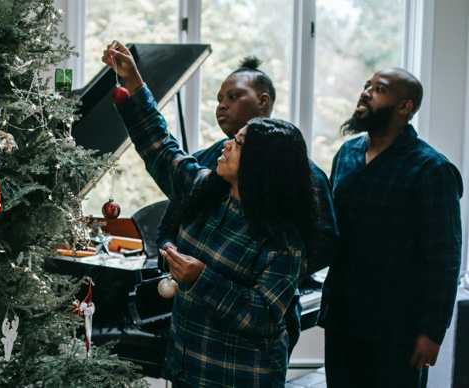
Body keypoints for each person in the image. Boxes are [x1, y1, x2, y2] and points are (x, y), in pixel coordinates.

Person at [103, 41, 319, 387]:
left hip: (240, 377)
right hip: (188, 369)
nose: (227, 144)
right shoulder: (203, 188)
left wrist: (202, 278)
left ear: (261, 166)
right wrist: (133, 82)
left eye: (240, 143)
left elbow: (263, 317)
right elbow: (159, 144)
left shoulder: (283, 240)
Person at [155, 57, 339, 358]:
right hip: (196, 319)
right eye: (219, 99)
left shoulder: (302, 174)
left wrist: (255, 274)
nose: (221, 106)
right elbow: (169, 225)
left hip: (258, 325)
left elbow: (326, 242)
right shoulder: (204, 160)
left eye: (233, 96)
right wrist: (170, 253)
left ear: (263, 102)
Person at [319, 68, 463, 388]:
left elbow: (445, 259)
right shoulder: (346, 154)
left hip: (396, 330)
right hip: (342, 318)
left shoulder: (431, 169)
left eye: (379, 89)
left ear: (404, 107)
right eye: (366, 85)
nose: (366, 92)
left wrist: (432, 332)